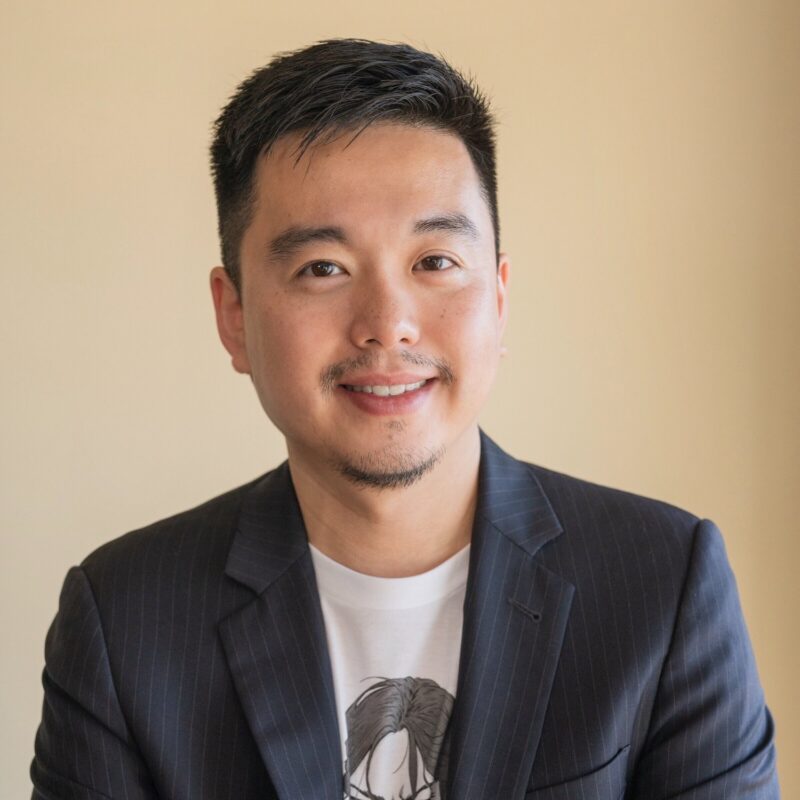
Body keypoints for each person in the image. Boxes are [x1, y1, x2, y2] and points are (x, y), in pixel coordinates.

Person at [31, 38, 779, 800]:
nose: (388, 326)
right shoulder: (123, 620)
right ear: (234, 316)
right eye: (323, 268)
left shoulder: (664, 585)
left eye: (434, 262)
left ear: (497, 296)